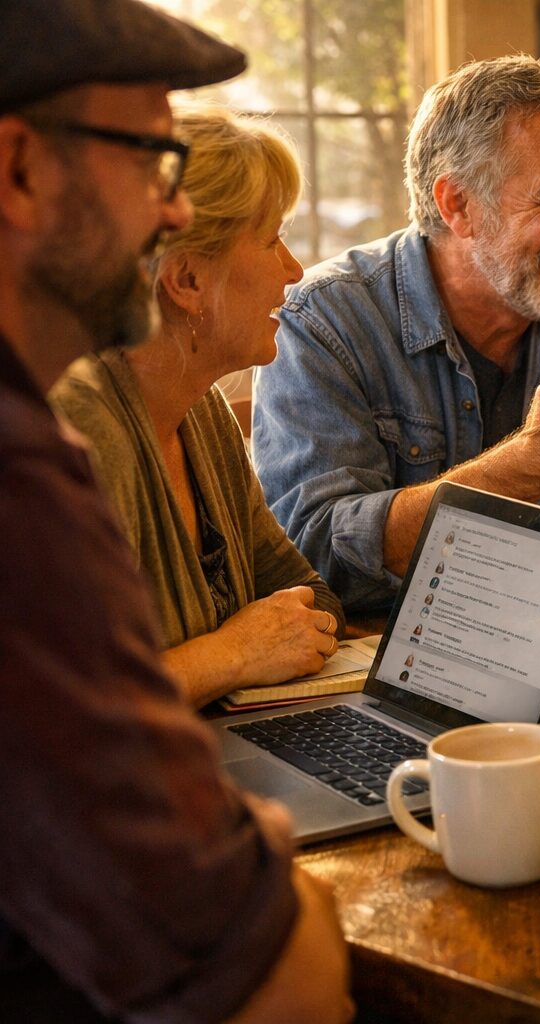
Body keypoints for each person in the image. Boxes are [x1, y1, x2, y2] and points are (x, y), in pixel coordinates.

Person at [0, 1, 350, 1020]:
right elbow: (275, 980)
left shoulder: (185, 420)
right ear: (19, 169)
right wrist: (269, 862)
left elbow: (296, 588)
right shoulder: (33, 472)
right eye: (150, 161)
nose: (165, 211)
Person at [254, 55, 540, 614]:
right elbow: (313, 555)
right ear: (459, 205)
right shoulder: (326, 321)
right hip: (391, 672)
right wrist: (528, 466)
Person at [49, 107, 344, 708]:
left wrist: (285, 632)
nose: (294, 270)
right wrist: (233, 654)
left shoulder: (201, 411)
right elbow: (56, 713)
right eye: (271, 240)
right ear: (185, 280)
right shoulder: (77, 425)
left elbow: (303, 592)